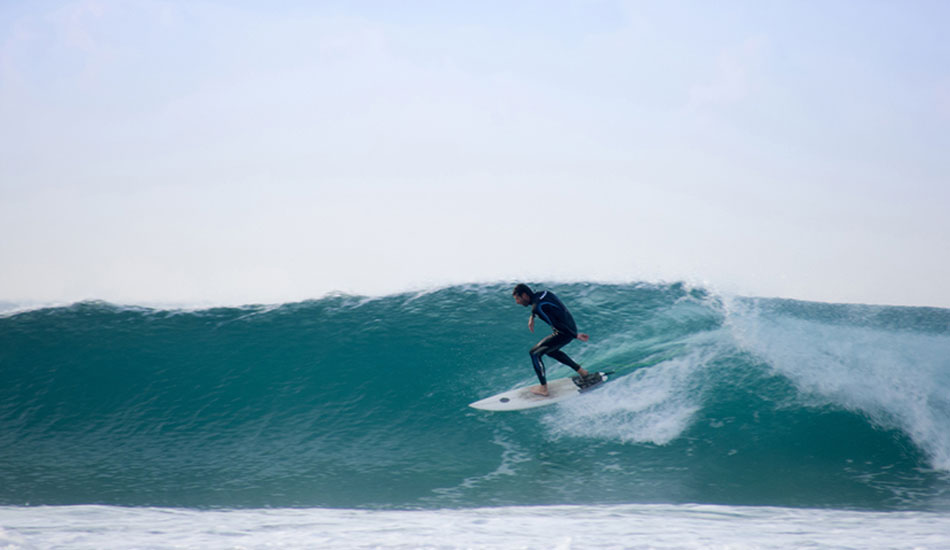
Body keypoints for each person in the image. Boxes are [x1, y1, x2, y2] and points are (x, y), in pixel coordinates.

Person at [512, 283, 591, 396]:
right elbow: (541, 305)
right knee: (550, 350)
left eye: (517, 299)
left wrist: (575, 335)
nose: (517, 302)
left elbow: (555, 323)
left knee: (534, 354)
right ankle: (582, 372)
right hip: (570, 324)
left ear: (524, 295)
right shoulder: (543, 294)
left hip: (565, 331)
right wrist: (532, 316)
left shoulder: (538, 308)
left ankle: (543, 389)